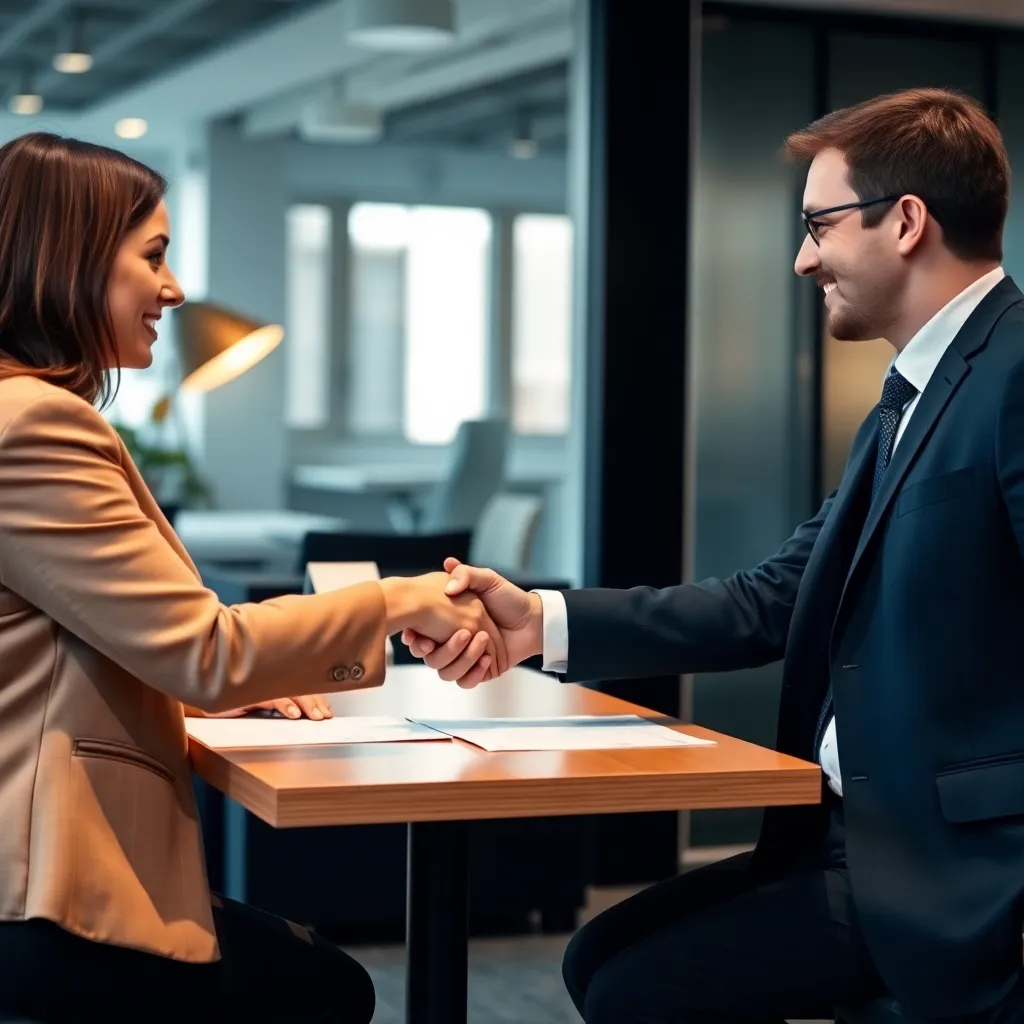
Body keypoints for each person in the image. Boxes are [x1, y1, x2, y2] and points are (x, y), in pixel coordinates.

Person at [402, 88, 1024, 1023]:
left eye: (819, 224)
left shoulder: (1012, 375)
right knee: (599, 955)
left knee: (631, 986)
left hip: (960, 876)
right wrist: (540, 620)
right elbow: (771, 598)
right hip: (855, 841)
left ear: (905, 222)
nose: (803, 257)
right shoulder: (913, 395)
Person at [0, 132, 505, 1024]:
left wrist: (202, 692)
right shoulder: (36, 424)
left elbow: (92, 646)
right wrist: (395, 598)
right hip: (33, 893)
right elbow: (203, 648)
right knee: (323, 989)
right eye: (153, 255)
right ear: (65, 260)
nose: (176, 288)